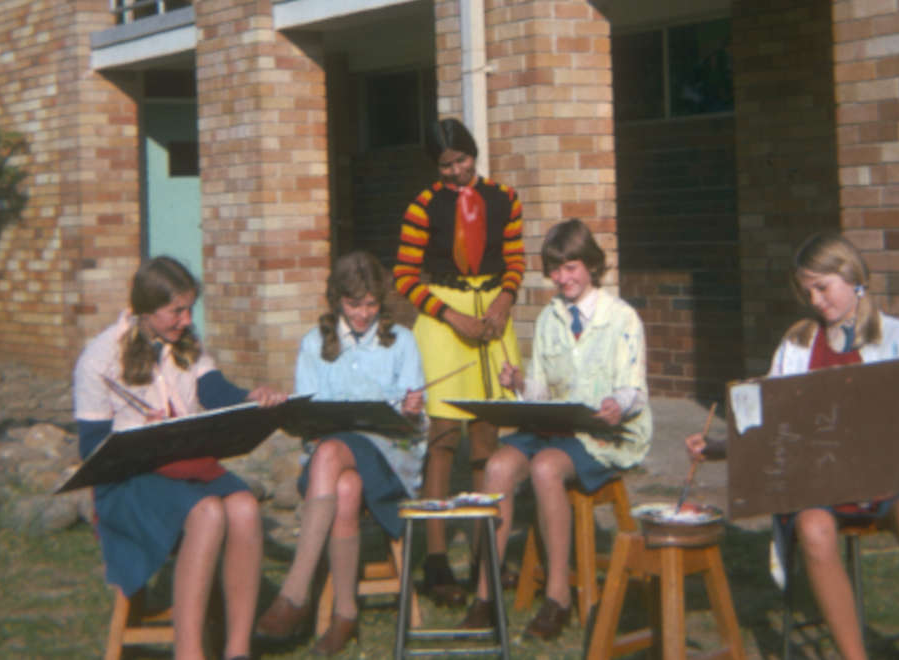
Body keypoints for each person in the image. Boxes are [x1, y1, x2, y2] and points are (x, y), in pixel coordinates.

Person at [688, 232, 899, 660]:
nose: (815, 300)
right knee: (813, 530)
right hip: (819, 485)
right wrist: (719, 447)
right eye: (807, 291)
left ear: (853, 278)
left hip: (886, 482)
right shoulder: (797, 344)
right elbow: (767, 423)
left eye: (822, 287)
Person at [73, 256, 289, 660]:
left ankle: (238, 650)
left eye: (190, 309)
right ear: (145, 309)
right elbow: (90, 447)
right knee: (207, 512)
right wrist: (138, 434)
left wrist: (250, 398)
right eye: (177, 311)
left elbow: (214, 389)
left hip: (184, 466)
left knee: (243, 507)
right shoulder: (99, 358)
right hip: (130, 480)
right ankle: (189, 653)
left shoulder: (185, 343)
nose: (187, 320)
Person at [459, 219, 652, 641]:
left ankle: (558, 596)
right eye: (555, 270)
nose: (562, 278)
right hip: (552, 426)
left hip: (602, 432)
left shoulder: (621, 317)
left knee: (546, 468)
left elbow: (633, 388)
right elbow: (543, 389)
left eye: (571, 268)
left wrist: (618, 404)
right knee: (497, 467)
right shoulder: (550, 317)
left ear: (592, 266)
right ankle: (485, 596)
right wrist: (519, 384)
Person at [255, 251, 427, 655]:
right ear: (337, 301)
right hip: (328, 468)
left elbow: (416, 428)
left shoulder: (402, 341)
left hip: (389, 459)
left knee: (333, 453)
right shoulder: (314, 344)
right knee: (344, 485)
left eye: (371, 304)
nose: (363, 314)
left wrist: (411, 409)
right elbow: (308, 421)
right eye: (353, 305)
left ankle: (296, 590)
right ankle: (345, 614)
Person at [393, 117, 525, 606]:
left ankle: (482, 555)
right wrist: (450, 315)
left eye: (461, 160)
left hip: (492, 319)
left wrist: (503, 302)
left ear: (474, 153)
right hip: (445, 323)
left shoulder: (505, 198)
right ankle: (435, 560)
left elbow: (515, 259)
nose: (454, 172)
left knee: (485, 442)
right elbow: (405, 276)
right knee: (443, 439)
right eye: (445, 165)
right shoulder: (423, 208)